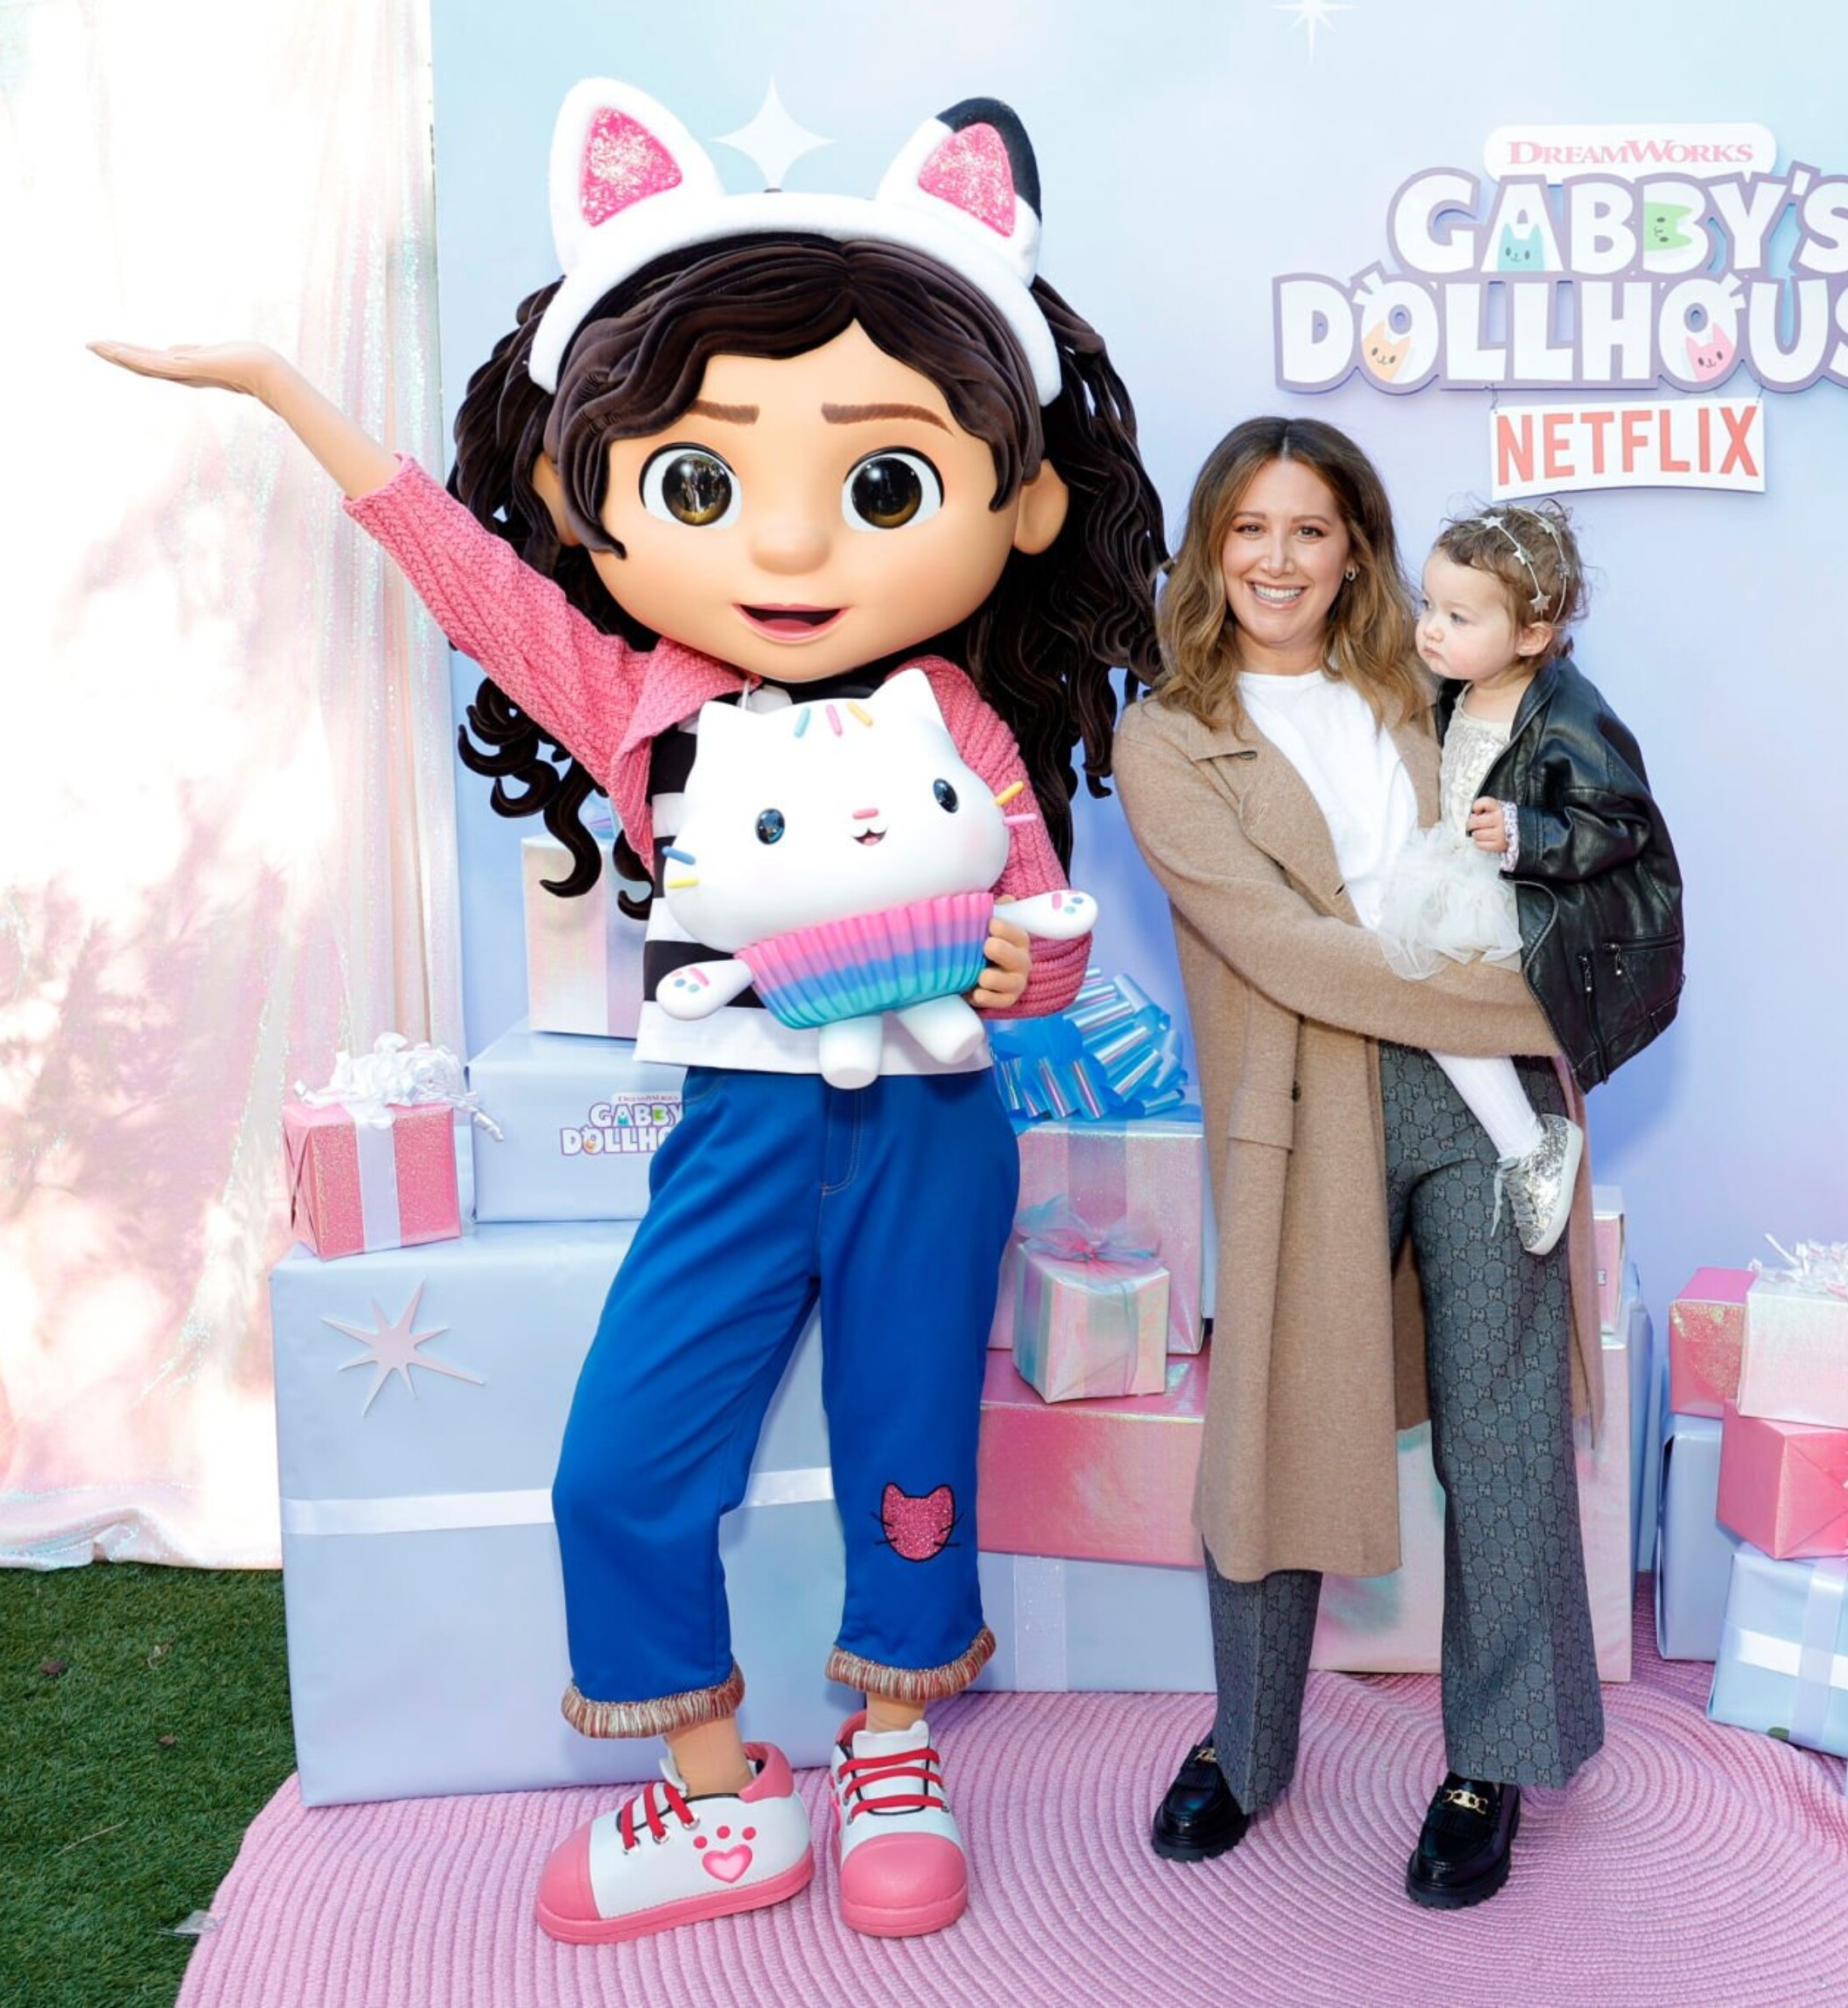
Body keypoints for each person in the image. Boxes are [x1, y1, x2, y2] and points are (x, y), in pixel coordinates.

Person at [97, 81, 1163, 1943]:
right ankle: (719, 1787)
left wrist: (1030, 966)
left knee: (912, 1449)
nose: (793, 550)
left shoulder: (960, 722)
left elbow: (1036, 918)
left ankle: (891, 1749)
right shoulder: (634, 701)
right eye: (703, 482)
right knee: (621, 1467)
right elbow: (455, 570)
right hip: (741, 1127)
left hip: (931, 1130)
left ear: (1017, 502)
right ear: (591, 496)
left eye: (878, 486)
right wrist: (282, 388)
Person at [1115, 416, 1641, 1911]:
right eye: (1249, 527)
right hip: (1308, 1106)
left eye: (1310, 528)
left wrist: (1542, 995)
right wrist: (1524, 1004)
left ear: (1355, 549)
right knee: (1277, 1430)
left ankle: (1495, 1759)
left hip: (1484, 1112)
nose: (1277, 558)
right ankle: (1246, 1744)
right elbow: (1284, 951)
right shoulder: (1165, 736)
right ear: (1211, 546)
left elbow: (1569, 848)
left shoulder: (1438, 683)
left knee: (1504, 1434)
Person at [1375, 499, 1683, 1251]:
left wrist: (1526, 833)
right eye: (1428, 605)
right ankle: (1517, 1140)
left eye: (1458, 617)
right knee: (1406, 974)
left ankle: (1529, 1144)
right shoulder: (1459, 682)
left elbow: (1622, 821)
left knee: (1435, 993)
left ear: (1532, 635)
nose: (1431, 629)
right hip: (1457, 864)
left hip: (1521, 889)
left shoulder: (1569, 711)